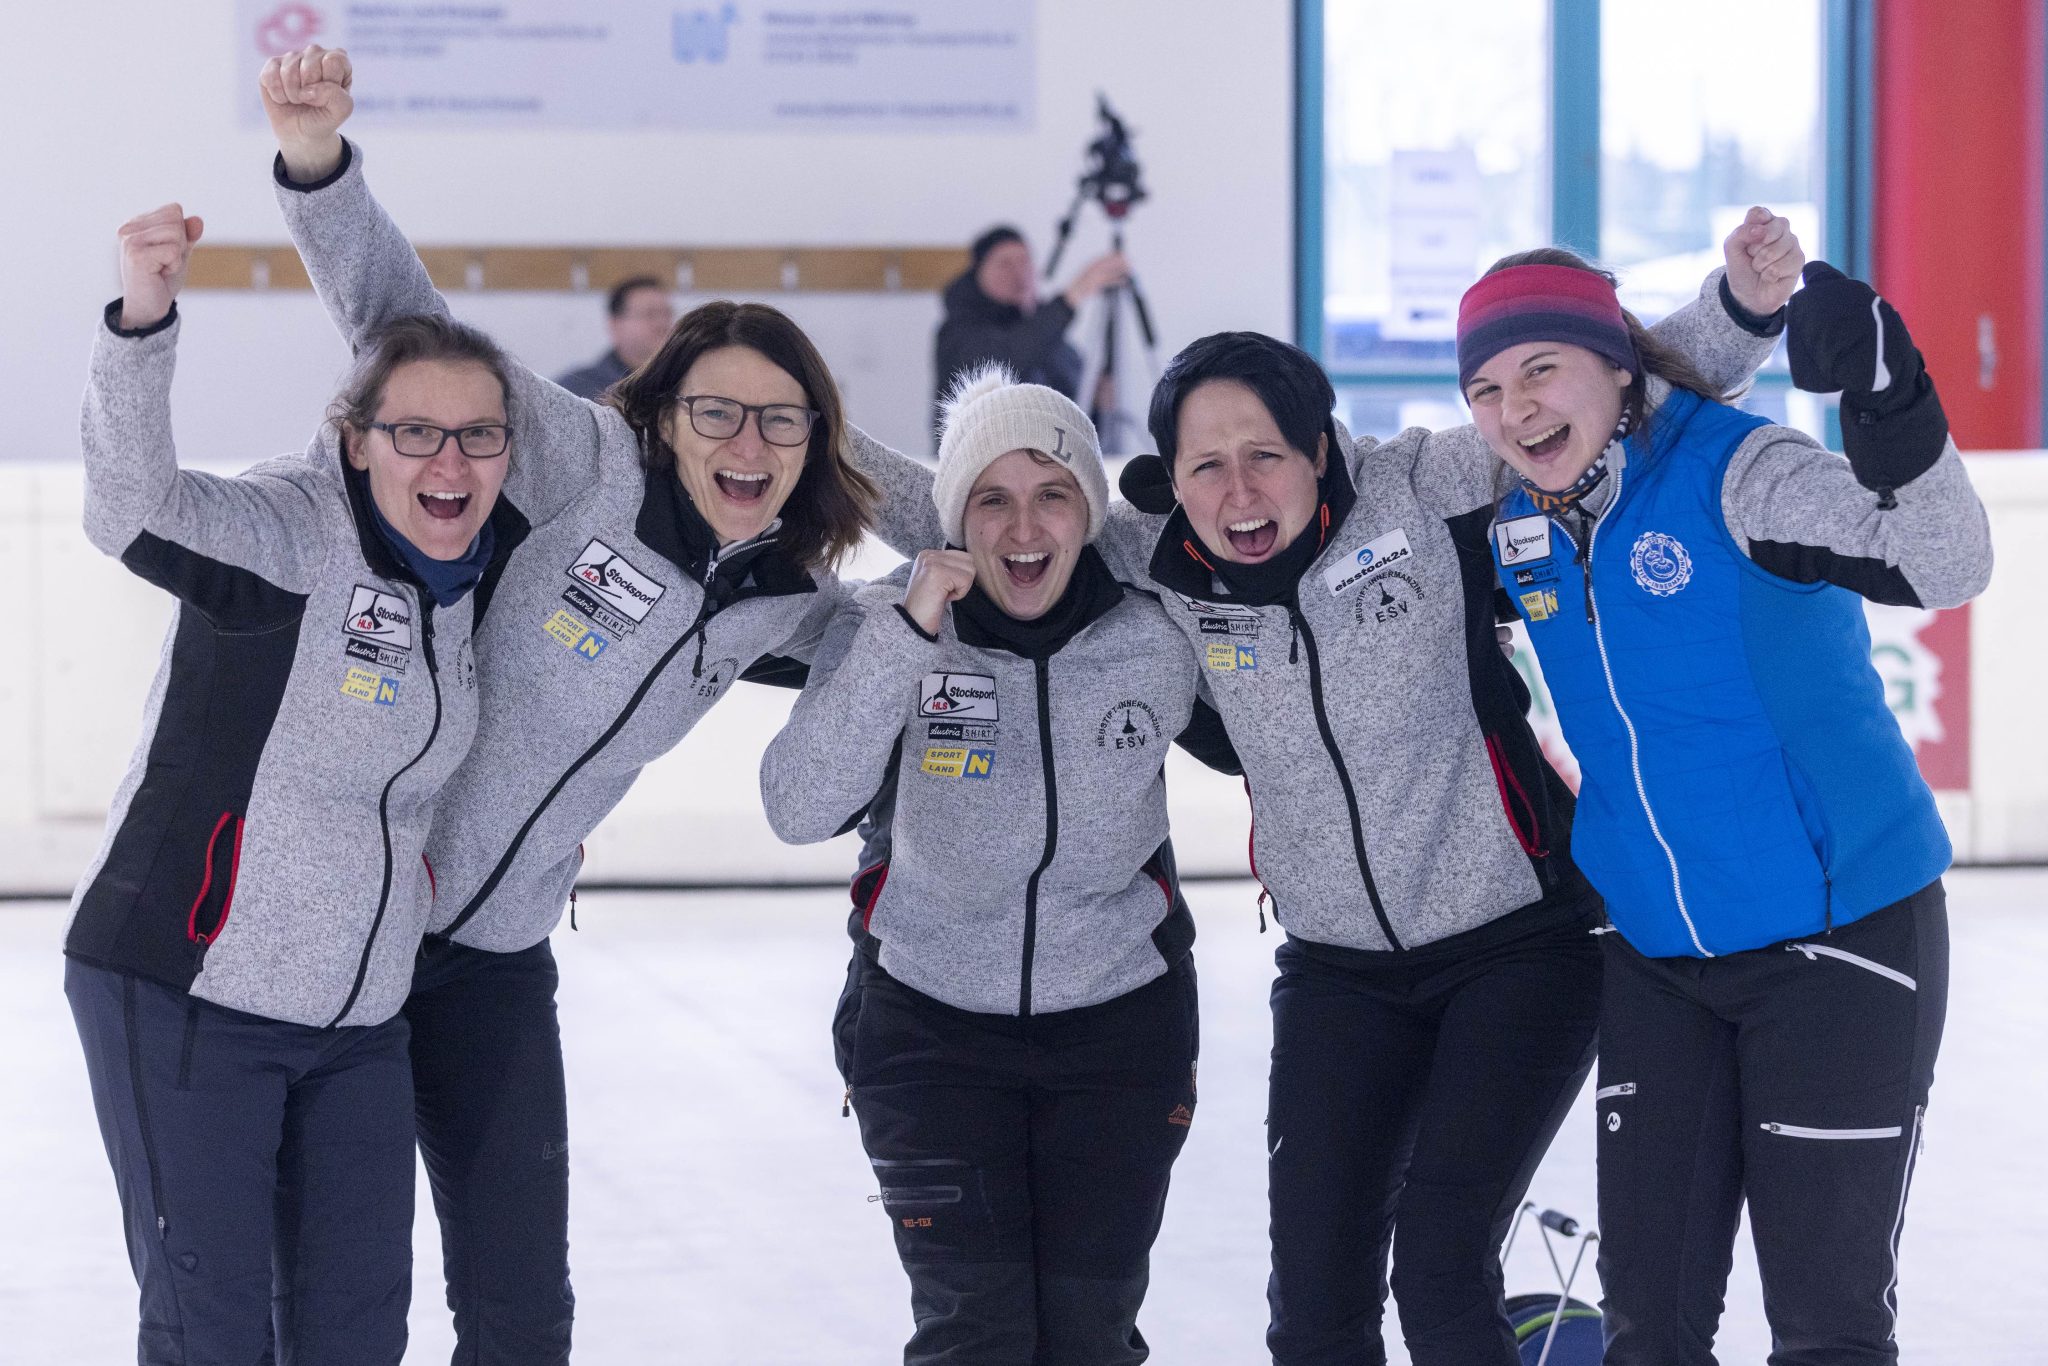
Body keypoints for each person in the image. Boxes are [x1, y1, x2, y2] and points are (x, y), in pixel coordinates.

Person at [846, 211, 1799, 1365]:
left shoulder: (1423, 494)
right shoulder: (1151, 555)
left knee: (1440, 1261)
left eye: (1264, 455)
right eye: (1204, 464)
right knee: (1310, 1309)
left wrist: (1739, 311)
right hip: (1337, 971)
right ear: (1169, 484)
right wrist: (778, 437)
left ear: (1320, 452)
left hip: (1516, 943)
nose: (1237, 490)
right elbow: (969, 492)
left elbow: (1584, 401)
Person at [260, 45, 875, 1364]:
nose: (747, 446)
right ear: (666, 415)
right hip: (359, 935)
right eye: (718, 412)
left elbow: (907, 634)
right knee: (329, 1297)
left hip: (498, 967)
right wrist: (319, 165)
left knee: (523, 1309)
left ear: (816, 441)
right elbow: (398, 322)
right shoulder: (576, 459)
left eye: (781, 422)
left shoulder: (784, 598)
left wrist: (1022, 535)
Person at [1463, 252, 1990, 1364]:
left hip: (1839, 939)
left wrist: (1888, 392)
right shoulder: (1518, 517)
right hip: (1658, 954)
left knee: (1824, 1324)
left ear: (1612, 366)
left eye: (1541, 370)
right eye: (1484, 389)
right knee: (1647, 1325)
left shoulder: (1741, 470)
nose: (1513, 410)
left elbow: (1945, 560)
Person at [66, 201, 514, 1364]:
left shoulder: (472, 588)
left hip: (358, 1023)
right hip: (187, 990)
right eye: (415, 433)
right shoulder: (287, 541)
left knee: (355, 1332)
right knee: (211, 1332)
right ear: (358, 439)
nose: (449, 462)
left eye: (478, 436)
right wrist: (142, 320)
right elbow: (131, 505)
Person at [764, 368, 1232, 1365]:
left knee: (1087, 1335)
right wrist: (906, 635)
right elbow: (796, 806)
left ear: (1088, 514)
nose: (1023, 526)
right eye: (992, 498)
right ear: (951, 518)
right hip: (925, 1030)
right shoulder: (893, 620)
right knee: (972, 1331)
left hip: (1119, 1030)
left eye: (1052, 494)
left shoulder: (1158, 632)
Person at [933, 224, 1128, 435]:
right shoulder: (959, 332)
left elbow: (1075, 411)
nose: (1018, 273)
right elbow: (1005, 360)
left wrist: (1097, 403)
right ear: (979, 272)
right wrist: (1073, 295)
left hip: (1047, 461)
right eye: (1004, 264)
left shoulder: (1048, 337)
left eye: (1024, 261)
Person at [554, 275, 675, 400]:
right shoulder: (576, 389)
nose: (662, 324)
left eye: (667, 314)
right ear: (615, 325)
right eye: (650, 314)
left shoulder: (685, 383)